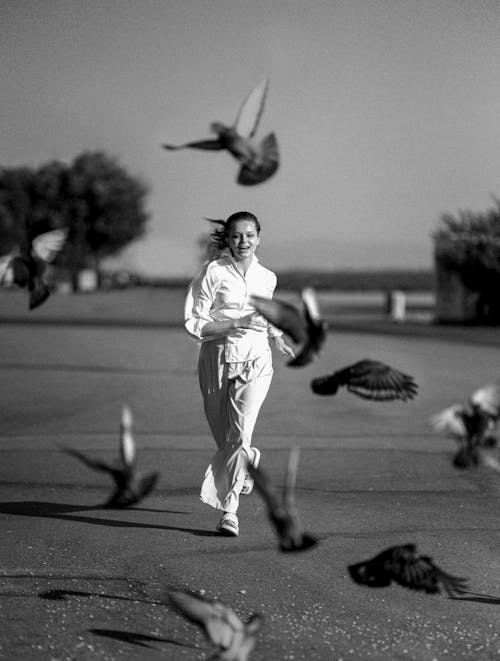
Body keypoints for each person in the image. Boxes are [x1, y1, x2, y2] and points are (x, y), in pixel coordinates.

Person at [184, 211, 294, 536]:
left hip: (256, 359)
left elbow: (267, 313)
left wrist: (277, 337)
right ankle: (249, 461)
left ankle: (229, 512)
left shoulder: (268, 277)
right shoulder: (212, 273)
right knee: (224, 436)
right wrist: (234, 323)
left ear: (259, 237)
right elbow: (195, 323)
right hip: (216, 357)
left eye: (249, 235)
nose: (243, 241)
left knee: (239, 435)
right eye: (236, 236)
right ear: (228, 239)